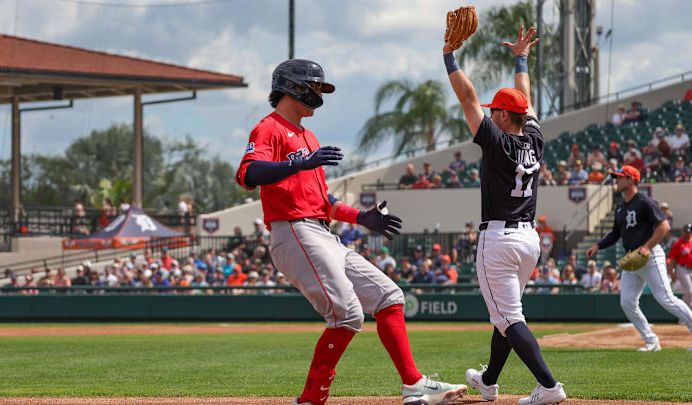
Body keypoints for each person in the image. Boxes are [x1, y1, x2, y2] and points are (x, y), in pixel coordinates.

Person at [235, 58, 465, 405]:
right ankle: (311, 399)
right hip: (294, 230)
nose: (317, 93)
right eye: (313, 86)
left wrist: (362, 217)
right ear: (293, 86)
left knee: (390, 297)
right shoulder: (269, 128)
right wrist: (295, 163)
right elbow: (248, 175)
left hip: (321, 232)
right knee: (347, 314)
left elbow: (322, 201)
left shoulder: (308, 136)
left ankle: (413, 384)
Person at [444, 25, 566, 404]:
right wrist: (521, 58)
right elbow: (524, 101)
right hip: (529, 240)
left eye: (494, 111)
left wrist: (448, 55)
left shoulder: (496, 140)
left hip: (498, 239)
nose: (489, 114)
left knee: (509, 318)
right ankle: (489, 380)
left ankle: (549, 387)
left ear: (499, 116)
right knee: (506, 315)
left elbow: (467, 97)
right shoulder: (535, 137)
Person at [586, 165, 692, 351]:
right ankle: (651, 340)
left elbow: (664, 226)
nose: (616, 181)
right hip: (632, 259)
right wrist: (598, 246)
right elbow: (615, 233)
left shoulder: (644, 201)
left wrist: (646, 247)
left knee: (666, 298)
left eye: (620, 177)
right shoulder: (620, 207)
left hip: (650, 256)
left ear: (631, 180)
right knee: (627, 302)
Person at [668, 224, 692, 311]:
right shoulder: (678, 243)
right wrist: (671, 273)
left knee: (689, 294)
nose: (687, 234)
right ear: (682, 232)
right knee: (689, 292)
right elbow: (671, 259)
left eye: (688, 232)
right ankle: (684, 317)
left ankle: (686, 314)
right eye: (685, 231)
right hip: (682, 269)